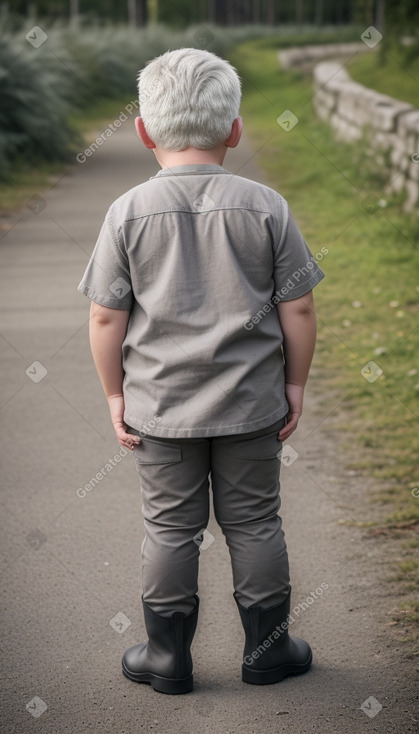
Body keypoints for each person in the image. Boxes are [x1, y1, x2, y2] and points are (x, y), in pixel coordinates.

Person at [78, 47, 325, 695]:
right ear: (234, 127)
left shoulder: (126, 213)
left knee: (169, 526)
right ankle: (267, 653)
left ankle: (166, 658)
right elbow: (296, 305)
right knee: (253, 522)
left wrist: (114, 394)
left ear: (143, 131)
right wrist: (293, 384)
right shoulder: (265, 205)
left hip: (160, 410)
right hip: (249, 406)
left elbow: (106, 319)